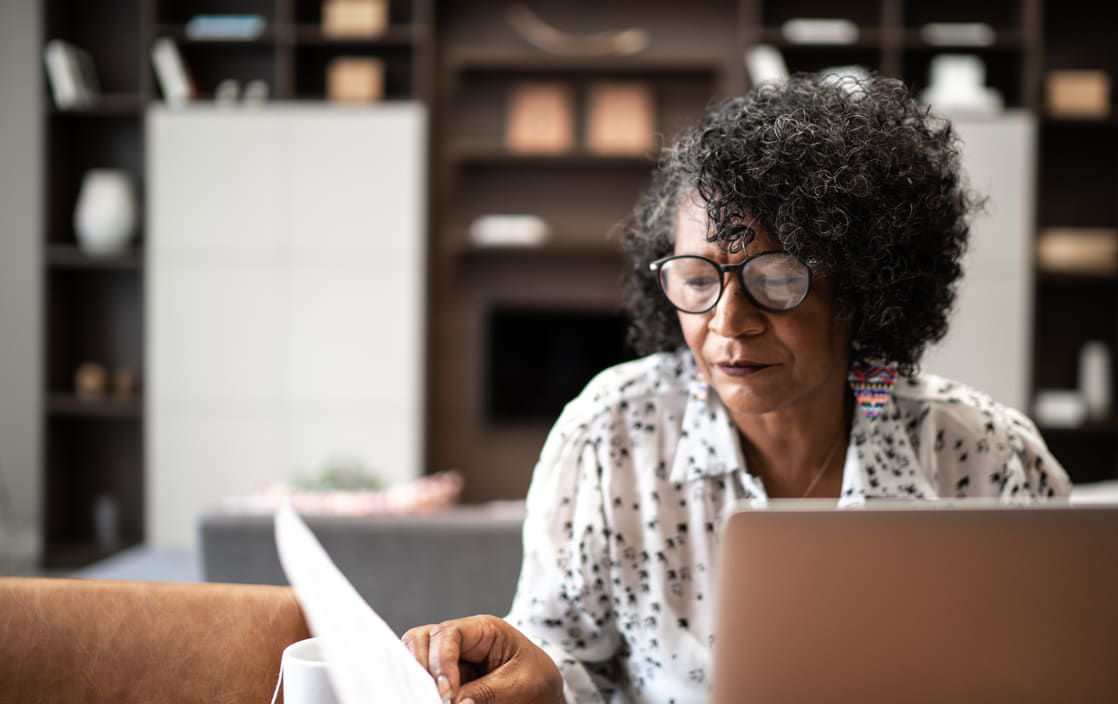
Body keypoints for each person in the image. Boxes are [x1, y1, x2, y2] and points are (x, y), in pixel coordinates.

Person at [402, 74, 1071, 704]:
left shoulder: (985, 458)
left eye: (775, 279)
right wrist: (534, 672)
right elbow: (567, 654)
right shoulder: (612, 434)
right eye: (697, 280)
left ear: (861, 288)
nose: (727, 322)